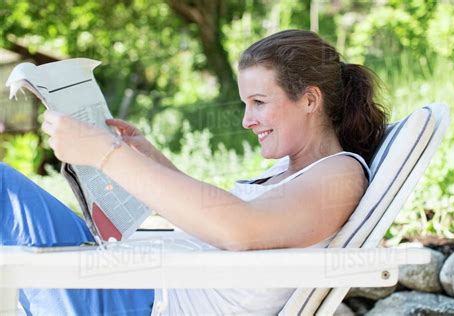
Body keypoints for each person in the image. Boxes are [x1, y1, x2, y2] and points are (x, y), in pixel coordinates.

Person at [1, 29, 387, 315]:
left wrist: (106, 153)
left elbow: (239, 230)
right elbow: (219, 224)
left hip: (138, 300)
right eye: (244, 104)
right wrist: (150, 157)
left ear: (309, 99)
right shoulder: (293, 173)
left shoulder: (340, 175)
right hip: (130, 284)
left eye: (258, 102)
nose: (247, 120)